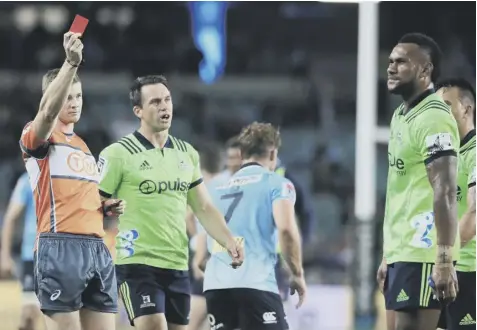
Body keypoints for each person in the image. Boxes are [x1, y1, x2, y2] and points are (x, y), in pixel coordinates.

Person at [97, 75, 244, 330]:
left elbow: (204, 207)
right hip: (136, 262)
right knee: (154, 326)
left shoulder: (187, 153)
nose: (164, 106)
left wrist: (229, 240)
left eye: (167, 99)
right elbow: (91, 203)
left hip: (176, 264)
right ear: (138, 111)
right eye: (155, 102)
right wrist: (106, 209)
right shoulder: (117, 154)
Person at [18, 32, 124, 330]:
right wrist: (70, 63)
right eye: (67, 96)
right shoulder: (37, 136)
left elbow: (83, 199)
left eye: (78, 96)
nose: (74, 103)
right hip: (58, 246)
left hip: (97, 248)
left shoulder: (84, 146)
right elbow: (48, 111)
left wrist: (105, 207)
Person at [376, 32, 460, 330]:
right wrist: (389, 255)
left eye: (401, 62)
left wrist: (443, 259)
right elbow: (402, 190)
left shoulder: (434, 117)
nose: (391, 67)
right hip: (403, 253)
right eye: (390, 61)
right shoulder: (401, 115)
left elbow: (445, 190)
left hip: (424, 254)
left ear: (425, 70)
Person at [203, 122, 307, 330]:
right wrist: (297, 273)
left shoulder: (216, 189)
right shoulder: (277, 183)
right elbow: (286, 229)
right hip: (255, 282)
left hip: (216, 285)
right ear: (272, 154)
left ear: (241, 154)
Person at [435, 78, 476, 330]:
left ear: (466, 109)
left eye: (446, 106)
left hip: (468, 271)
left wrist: (444, 258)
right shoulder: (440, 155)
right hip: (438, 268)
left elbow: (474, 212)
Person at [187, 141, 225, 330]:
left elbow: (189, 218)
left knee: (191, 322)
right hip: (230, 264)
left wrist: (198, 252)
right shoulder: (231, 184)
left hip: (208, 262)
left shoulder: (203, 189)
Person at [1, 173, 44, 330]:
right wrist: (5, 255)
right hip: (32, 256)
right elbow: (10, 218)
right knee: (29, 313)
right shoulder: (27, 180)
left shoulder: (63, 177)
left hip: (60, 256)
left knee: (56, 315)